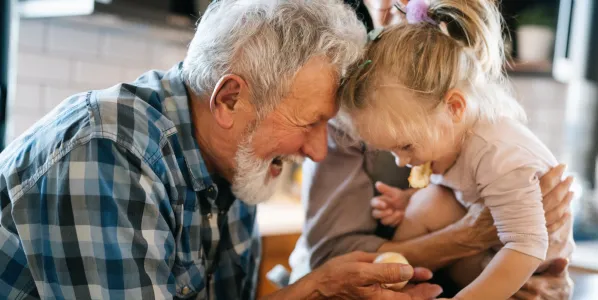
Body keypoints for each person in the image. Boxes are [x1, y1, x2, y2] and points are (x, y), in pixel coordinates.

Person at [0, 1, 444, 299]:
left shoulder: (237, 162)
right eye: (310, 123)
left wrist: (319, 290)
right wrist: (314, 289)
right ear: (229, 99)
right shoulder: (107, 152)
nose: (317, 151)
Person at [338, 0, 575, 299]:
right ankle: (401, 286)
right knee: (428, 200)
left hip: (531, 274)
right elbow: (471, 189)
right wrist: (409, 199)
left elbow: (526, 247)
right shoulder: (453, 134)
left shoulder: (501, 155)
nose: (401, 162)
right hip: (491, 254)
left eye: (406, 147)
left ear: (454, 107)